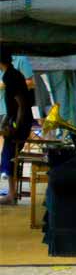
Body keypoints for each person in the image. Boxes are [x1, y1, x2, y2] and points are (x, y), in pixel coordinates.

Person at [0, 47, 35, 204]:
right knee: (7, 155)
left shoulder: (10, 76)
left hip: (21, 122)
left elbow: (21, 104)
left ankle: (11, 195)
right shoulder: (11, 74)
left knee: (9, 156)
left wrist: (16, 127)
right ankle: (11, 193)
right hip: (17, 120)